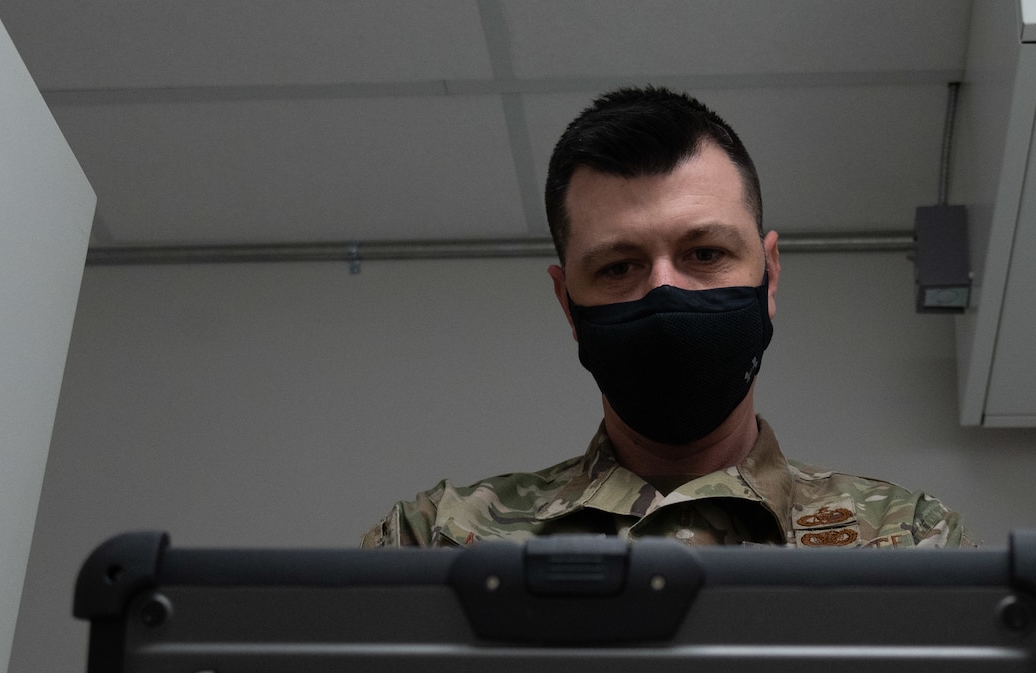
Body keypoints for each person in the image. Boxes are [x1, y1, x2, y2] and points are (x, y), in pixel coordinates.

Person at [361, 87, 969, 550]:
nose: (665, 292)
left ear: (769, 274)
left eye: (705, 254)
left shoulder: (910, 540)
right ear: (567, 304)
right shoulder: (435, 540)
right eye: (619, 267)